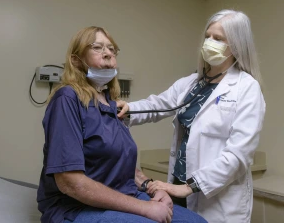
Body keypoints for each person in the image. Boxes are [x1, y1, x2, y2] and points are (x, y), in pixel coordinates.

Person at [36, 26, 208, 223]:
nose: (108, 53)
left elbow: (120, 166)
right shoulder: (67, 99)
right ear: (76, 60)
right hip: (74, 207)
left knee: (197, 222)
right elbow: (70, 182)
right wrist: (144, 208)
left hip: (125, 196)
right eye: (98, 47)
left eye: (111, 49)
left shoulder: (111, 104)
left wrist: (151, 187)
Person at [117, 9, 266, 223]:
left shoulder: (246, 88)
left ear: (235, 45)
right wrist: (128, 108)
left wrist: (189, 188)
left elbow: (238, 155)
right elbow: (157, 105)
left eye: (218, 38)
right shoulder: (191, 83)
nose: (209, 42)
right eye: (207, 36)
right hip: (178, 185)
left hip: (216, 197)